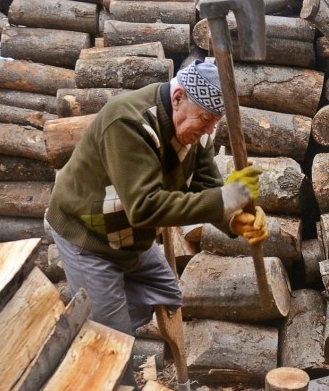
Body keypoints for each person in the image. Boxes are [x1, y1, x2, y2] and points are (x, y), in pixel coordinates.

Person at [45, 60, 268, 337]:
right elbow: (145, 207)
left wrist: (235, 218)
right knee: (109, 341)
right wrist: (225, 199)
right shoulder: (129, 121)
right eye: (206, 120)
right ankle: (96, 336)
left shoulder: (197, 129)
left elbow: (206, 186)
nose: (210, 130)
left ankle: (96, 320)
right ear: (178, 98)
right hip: (89, 235)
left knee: (165, 294)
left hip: (130, 236)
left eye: (215, 122)